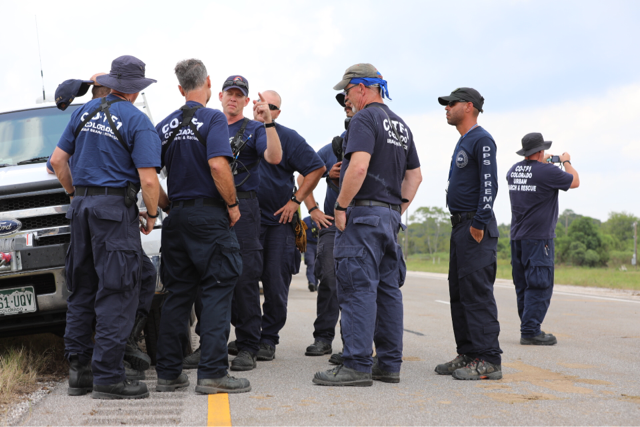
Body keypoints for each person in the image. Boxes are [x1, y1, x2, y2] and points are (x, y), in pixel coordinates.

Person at [50, 55, 161, 399]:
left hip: (81, 210)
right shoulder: (137, 120)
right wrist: (152, 214)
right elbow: (148, 179)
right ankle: (109, 376)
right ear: (134, 90)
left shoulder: (82, 113)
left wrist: (74, 195)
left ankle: (79, 371)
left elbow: (57, 162)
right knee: (117, 289)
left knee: (83, 289)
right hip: (113, 213)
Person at [313, 63, 422, 387]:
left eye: (347, 92)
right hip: (388, 219)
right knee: (388, 291)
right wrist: (394, 210)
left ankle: (357, 364)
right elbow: (415, 176)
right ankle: (388, 364)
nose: (347, 99)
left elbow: (357, 167)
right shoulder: (401, 126)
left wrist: (342, 205)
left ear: (361, 87)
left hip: (362, 217)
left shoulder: (364, 118)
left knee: (358, 289)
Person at [153, 59, 250, 394]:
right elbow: (217, 165)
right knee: (218, 289)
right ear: (208, 82)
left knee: (177, 296)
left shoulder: (163, 126)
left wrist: (166, 205)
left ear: (181, 89)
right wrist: (233, 205)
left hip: (176, 219)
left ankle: (167, 374)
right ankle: (212, 373)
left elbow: (147, 174)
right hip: (208, 218)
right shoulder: (213, 118)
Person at [184, 75, 283, 372]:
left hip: (245, 207)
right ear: (220, 95)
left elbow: (274, 157)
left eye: (240, 95)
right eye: (229, 92)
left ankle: (249, 345)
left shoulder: (255, 128)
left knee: (245, 278)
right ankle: (209, 346)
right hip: (211, 206)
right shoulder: (208, 123)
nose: (233, 98)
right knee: (207, 277)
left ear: (245, 100)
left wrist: (267, 121)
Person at [434, 87, 503, 381]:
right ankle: (468, 352)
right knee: (459, 295)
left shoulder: (482, 139)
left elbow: (490, 185)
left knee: (477, 295)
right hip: (460, 227)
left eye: (452, 103)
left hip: (475, 227)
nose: (447, 108)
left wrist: (478, 223)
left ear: (469, 106)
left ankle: (488, 359)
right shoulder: (464, 140)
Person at [253, 90, 325, 361]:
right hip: (245, 222)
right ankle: (249, 336)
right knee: (243, 283)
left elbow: (316, 168)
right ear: (253, 105)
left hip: (278, 224)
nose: (265, 109)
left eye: (272, 106)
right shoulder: (241, 132)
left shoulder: (288, 136)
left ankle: (268, 339)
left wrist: (297, 201)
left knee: (275, 283)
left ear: (278, 112)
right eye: (262, 104)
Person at [507, 133, 579, 345]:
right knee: (539, 284)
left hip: (517, 238)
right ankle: (530, 331)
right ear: (540, 151)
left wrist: (540, 162)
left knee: (523, 285)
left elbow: (531, 173)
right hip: (539, 239)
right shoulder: (547, 171)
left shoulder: (513, 171)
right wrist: (565, 160)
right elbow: (574, 181)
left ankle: (528, 326)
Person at [301, 92, 354, 360]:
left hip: (364, 222)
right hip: (333, 224)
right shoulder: (334, 147)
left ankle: (355, 344)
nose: (347, 106)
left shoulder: (378, 143)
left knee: (361, 285)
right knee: (330, 280)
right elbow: (303, 175)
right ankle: (323, 337)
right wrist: (314, 209)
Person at [303, 215, 319, 292]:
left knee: (318, 265)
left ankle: (316, 283)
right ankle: (311, 282)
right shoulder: (306, 220)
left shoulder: (321, 218)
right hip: (309, 245)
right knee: (311, 263)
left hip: (319, 244)